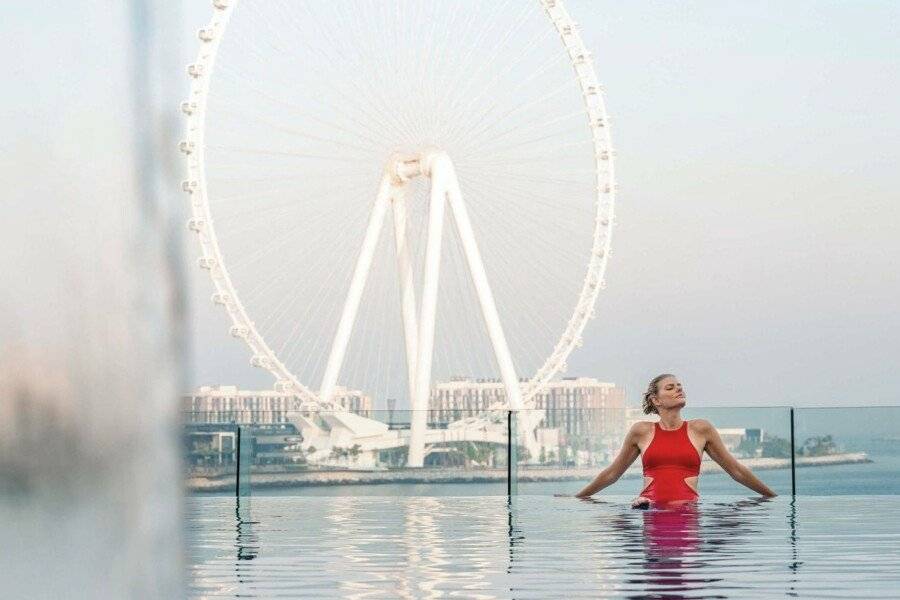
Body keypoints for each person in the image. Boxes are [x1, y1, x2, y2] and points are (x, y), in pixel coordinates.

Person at [573, 374, 777, 507]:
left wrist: (772, 496)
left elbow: (737, 470)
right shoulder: (641, 431)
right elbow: (612, 473)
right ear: (656, 400)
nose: (679, 389)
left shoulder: (701, 429)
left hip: (688, 509)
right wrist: (578, 497)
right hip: (648, 506)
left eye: (680, 386)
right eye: (670, 388)